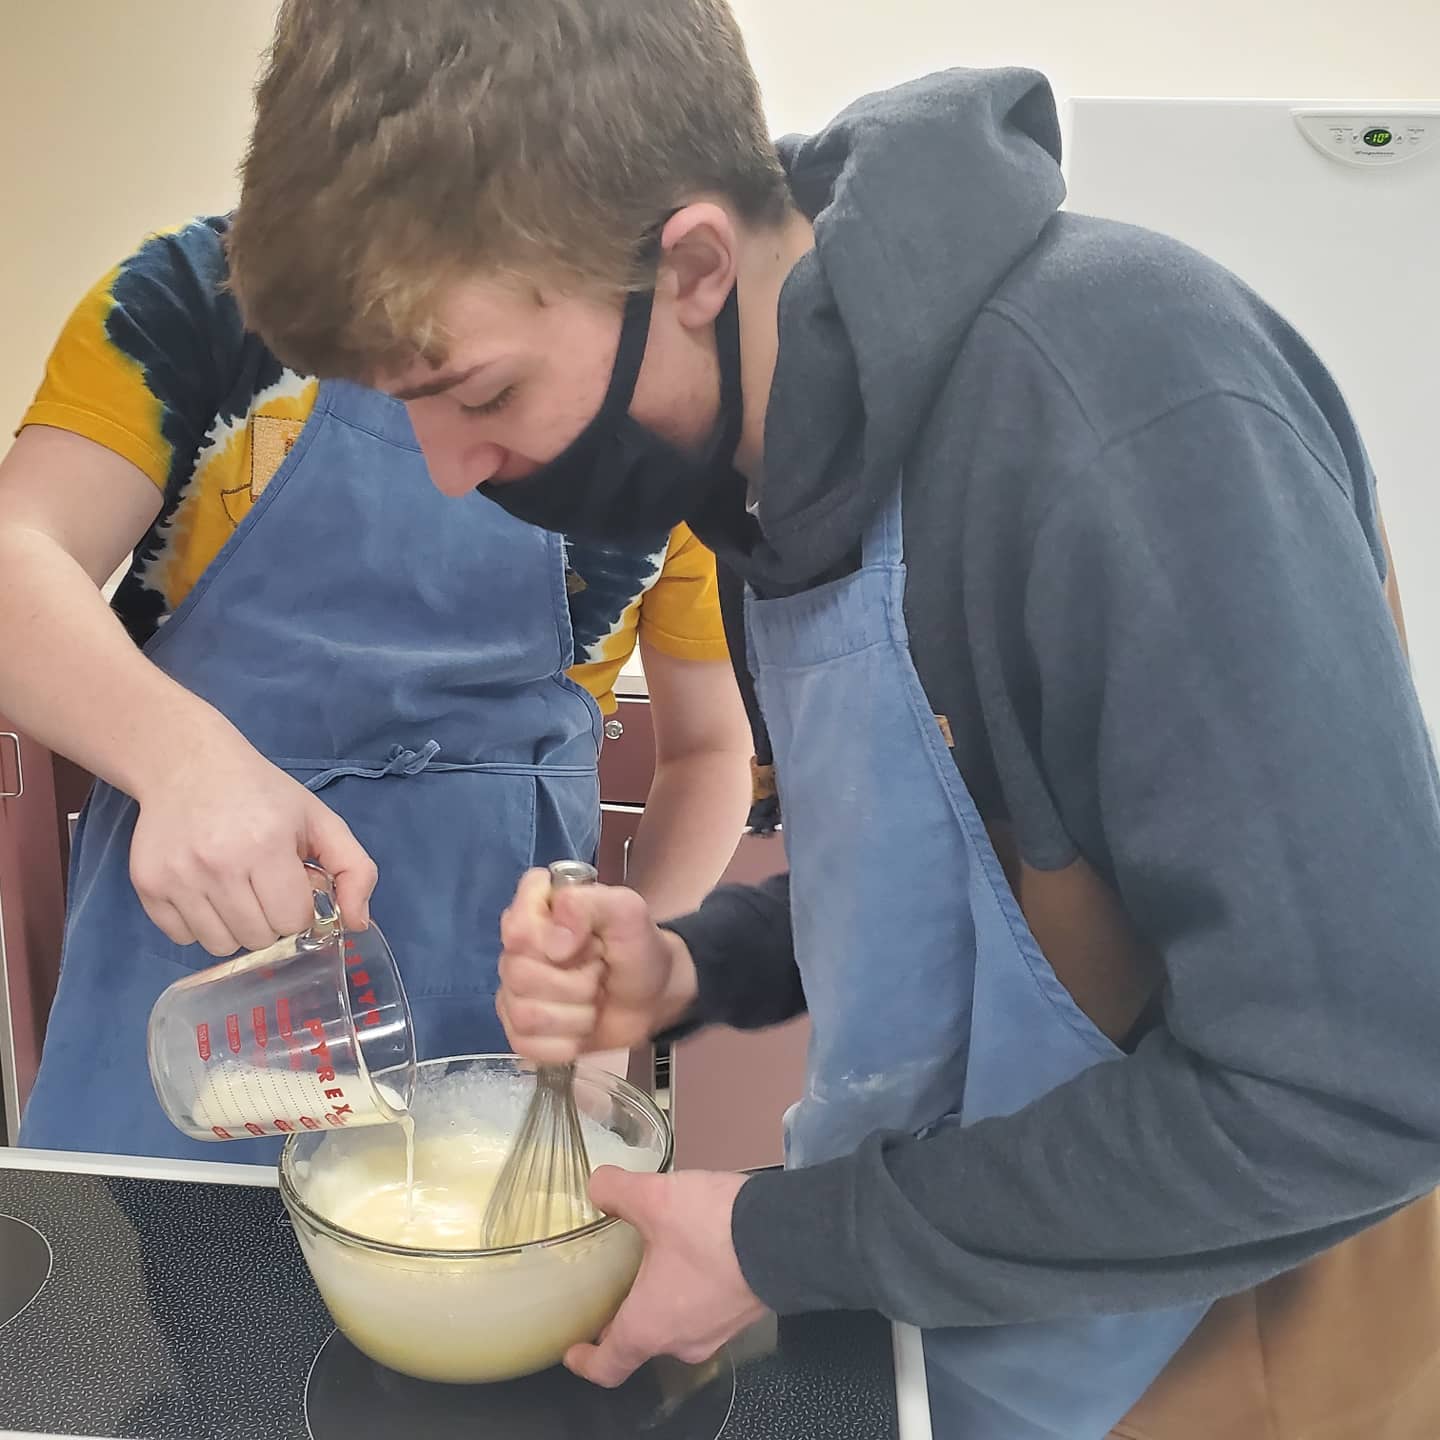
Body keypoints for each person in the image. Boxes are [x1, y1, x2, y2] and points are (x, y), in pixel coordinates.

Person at [224, 4, 1440, 1437]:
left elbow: (1349, 1090)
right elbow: (977, 886)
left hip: (1224, 1355)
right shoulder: (771, 474)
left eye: (481, 391)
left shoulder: (1124, 408)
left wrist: (776, 1242)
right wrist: (694, 964)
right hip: (957, 1325)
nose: (448, 471)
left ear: (691, 266)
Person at [0, 214, 752, 1162]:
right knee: (156, 1259)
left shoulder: (660, 406)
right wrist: (183, 763)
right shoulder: (199, 300)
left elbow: (709, 752)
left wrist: (621, 982)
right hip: (192, 976)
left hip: (503, 993)